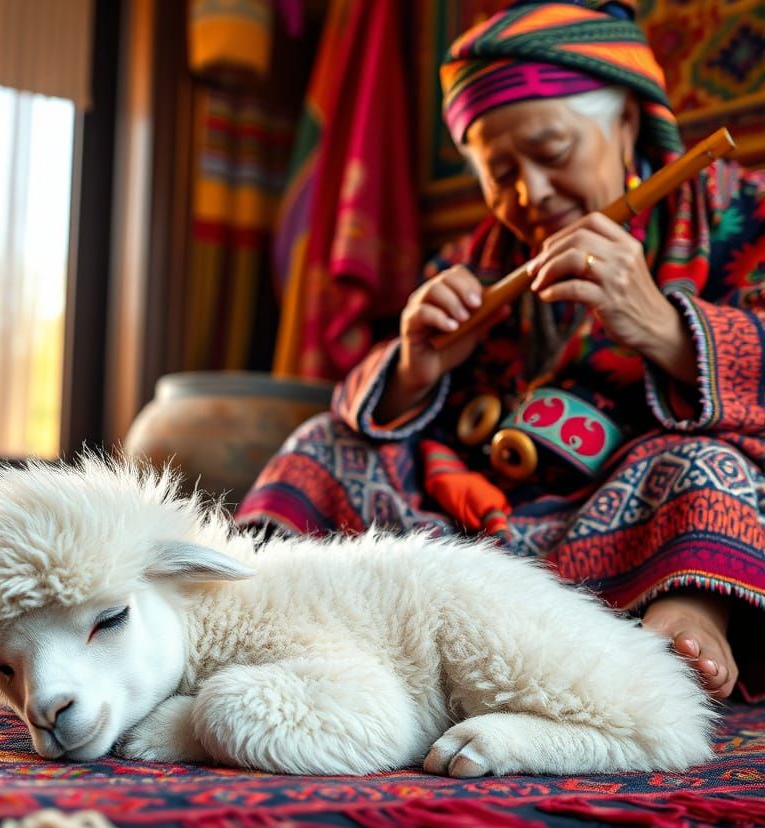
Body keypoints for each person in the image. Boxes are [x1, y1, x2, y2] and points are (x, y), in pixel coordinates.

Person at [235, 0, 765, 700]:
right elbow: (374, 413)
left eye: (552, 153)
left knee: (706, 464)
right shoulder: (472, 261)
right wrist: (413, 370)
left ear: (628, 121)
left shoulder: (743, 214)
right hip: (478, 533)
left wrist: (663, 328)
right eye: (500, 172)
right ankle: (244, 619)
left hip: (633, 522)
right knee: (322, 444)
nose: (532, 193)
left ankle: (689, 614)